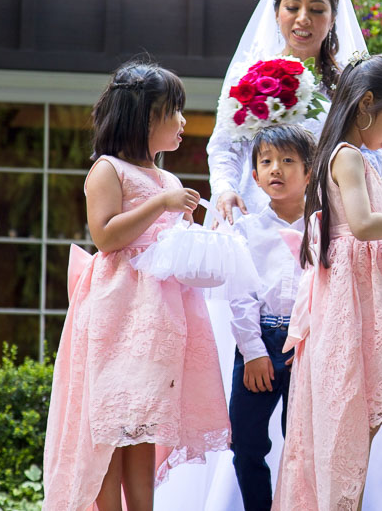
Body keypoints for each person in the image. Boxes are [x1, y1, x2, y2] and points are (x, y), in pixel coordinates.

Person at [43, 61, 229, 511]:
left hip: (161, 318)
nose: (184, 121)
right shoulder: (108, 169)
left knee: (144, 425)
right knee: (111, 427)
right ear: (147, 118)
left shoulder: (167, 178)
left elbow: (170, 242)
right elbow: (105, 236)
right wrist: (162, 205)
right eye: (175, 111)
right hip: (119, 314)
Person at [274, 54, 382, 511]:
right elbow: (364, 226)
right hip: (352, 304)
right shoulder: (347, 156)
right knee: (349, 422)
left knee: (358, 420)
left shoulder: (354, 158)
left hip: (357, 297)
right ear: (366, 104)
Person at [207, 0, 382, 224]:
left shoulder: (350, 84)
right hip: (254, 214)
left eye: (316, 9)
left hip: (325, 215)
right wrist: (225, 190)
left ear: (333, 18)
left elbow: (372, 155)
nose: (303, 18)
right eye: (292, 7)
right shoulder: (248, 77)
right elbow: (225, 149)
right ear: (277, 12)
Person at [228, 124, 316, 511]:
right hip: (258, 344)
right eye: (266, 162)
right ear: (255, 177)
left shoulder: (324, 230)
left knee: (302, 446)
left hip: (307, 345)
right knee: (246, 444)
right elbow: (240, 296)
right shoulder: (245, 231)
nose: (276, 169)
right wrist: (253, 352)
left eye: (287, 161)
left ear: (309, 171)